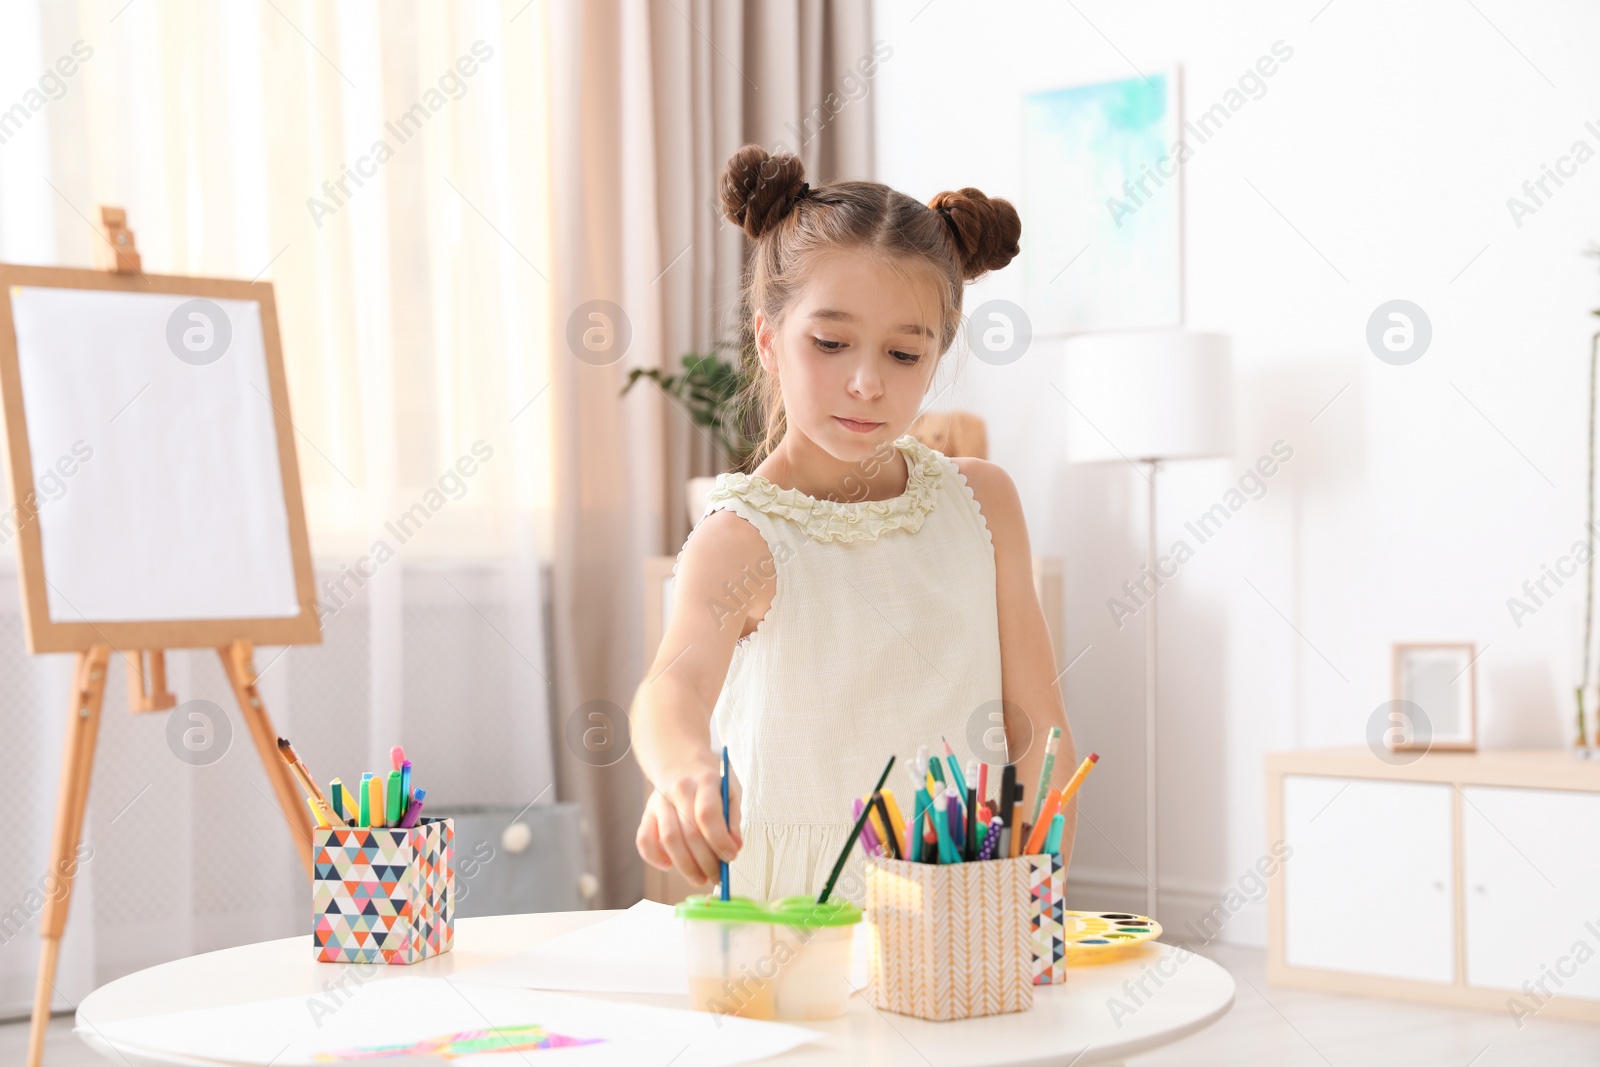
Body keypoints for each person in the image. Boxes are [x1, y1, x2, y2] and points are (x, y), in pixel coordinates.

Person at [631, 144, 1074, 904]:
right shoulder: (742, 536)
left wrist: (1034, 879)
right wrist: (685, 772)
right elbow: (669, 691)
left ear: (936, 358)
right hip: (795, 911)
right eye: (830, 343)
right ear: (769, 340)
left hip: (957, 897)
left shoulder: (985, 504)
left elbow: (1037, 727)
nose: (868, 382)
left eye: (905, 352)